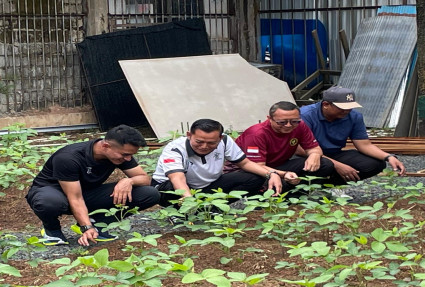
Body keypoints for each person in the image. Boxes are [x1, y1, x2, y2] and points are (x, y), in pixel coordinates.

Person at [26, 125, 161, 247]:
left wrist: (128, 181)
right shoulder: (69, 157)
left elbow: (144, 179)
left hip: (85, 193)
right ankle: (52, 230)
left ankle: (97, 223)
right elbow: (75, 198)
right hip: (53, 193)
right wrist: (86, 227)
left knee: (149, 193)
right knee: (50, 202)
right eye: (125, 154)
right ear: (106, 146)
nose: (128, 159)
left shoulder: (120, 154)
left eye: (131, 155)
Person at [152, 118, 293, 205]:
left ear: (220, 138)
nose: (204, 146)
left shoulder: (225, 141)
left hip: (208, 186)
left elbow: (245, 163)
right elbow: (177, 178)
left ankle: (213, 207)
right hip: (176, 187)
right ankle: (180, 212)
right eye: (199, 142)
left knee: (254, 178)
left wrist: (272, 174)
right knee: (170, 187)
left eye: (211, 143)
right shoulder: (175, 149)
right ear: (189, 135)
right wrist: (188, 198)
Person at [299, 86, 406, 185]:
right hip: (309, 154)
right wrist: (338, 165)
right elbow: (300, 150)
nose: (347, 111)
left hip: (334, 153)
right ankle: (303, 188)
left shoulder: (354, 116)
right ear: (326, 105)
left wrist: (389, 157)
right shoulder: (305, 115)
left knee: (376, 163)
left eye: (350, 107)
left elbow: (364, 145)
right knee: (325, 164)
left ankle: (328, 186)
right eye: (342, 108)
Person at [233, 101, 334, 188]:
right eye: (282, 122)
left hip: (279, 165)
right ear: (269, 118)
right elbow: (256, 166)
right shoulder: (256, 134)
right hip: (253, 170)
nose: (288, 125)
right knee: (264, 181)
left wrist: (314, 155)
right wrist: (283, 174)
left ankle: (303, 192)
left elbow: (314, 148)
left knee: (325, 164)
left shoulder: (300, 125)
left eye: (294, 121)